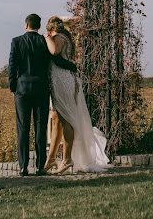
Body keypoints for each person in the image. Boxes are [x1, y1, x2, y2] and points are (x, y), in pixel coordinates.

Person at [7, 13, 77, 176]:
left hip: (22, 90)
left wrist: (13, 88)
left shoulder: (16, 41)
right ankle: (40, 167)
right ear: (38, 26)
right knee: (40, 127)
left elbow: (12, 67)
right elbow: (56, 60)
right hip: (41, 89)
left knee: (23, 128)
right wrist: (73, 67)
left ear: (26, 25)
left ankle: (23, 166)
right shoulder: (43, 41)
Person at [44, 15, 111, 173]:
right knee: (56, 120)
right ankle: (51, 159)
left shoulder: (58, 38)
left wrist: (47, 38)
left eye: (48, 31)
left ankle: (67, 159)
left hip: (62, 81)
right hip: (59, 80)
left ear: (51, 29)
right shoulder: (64, 37)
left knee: (66, 119)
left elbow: (54, 52)